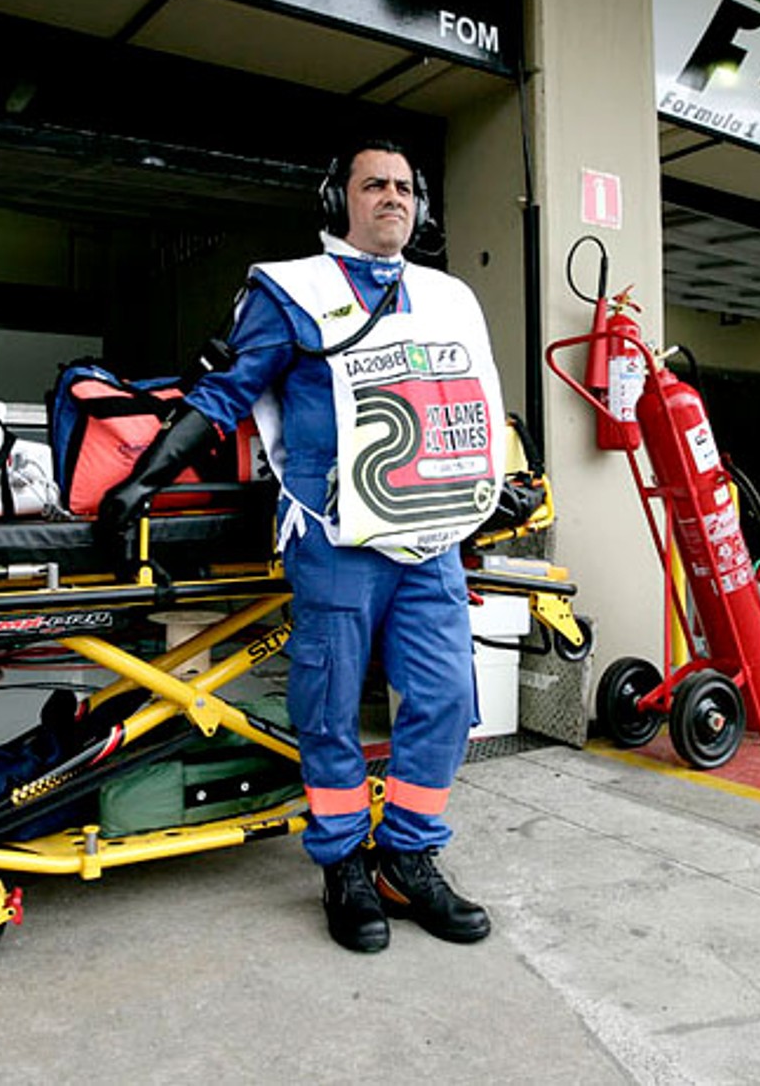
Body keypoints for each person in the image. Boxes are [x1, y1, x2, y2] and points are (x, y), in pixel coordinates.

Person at [97, 141, 504, 953]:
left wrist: (503, 480)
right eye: (374, 185)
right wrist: (143, 480)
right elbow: (224, 392)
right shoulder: (292, 290)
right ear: (337, 200)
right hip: (337, 537)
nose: (393, 197)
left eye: (404, 187)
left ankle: (408, 859)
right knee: (329, 708)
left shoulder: (450, 297)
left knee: (446, 700)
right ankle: (343, 864)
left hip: (429, 541)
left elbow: (473, 400)